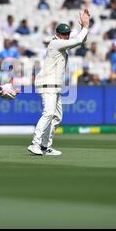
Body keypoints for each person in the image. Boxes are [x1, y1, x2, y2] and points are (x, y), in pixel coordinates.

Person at [28, 9, 90, 156]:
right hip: (46, 84)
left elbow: (81, 41)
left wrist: (83, 28)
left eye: (68, 34)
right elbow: (78, 40)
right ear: (57, 34)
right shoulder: (55, 43)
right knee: (48, 113)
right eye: (64, 34)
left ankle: (44, 146)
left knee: (57, 117)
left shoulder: (62, 44)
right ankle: (34, 143)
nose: (67, 36)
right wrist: (86, 27)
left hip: (55, 86)